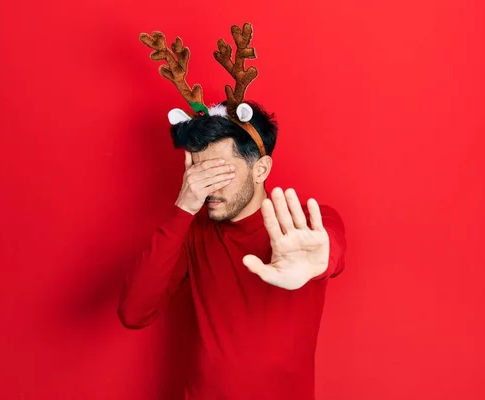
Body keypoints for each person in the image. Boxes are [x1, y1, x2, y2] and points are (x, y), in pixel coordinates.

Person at [119, 24, 347, 400]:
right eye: (198, 171)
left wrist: (322, 258)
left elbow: (331, 243)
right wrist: (183, 207)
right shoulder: (192, 235)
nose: (206, 186)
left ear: (260, 170)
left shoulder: (306, 224)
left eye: (219, 172)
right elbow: (133, 312)